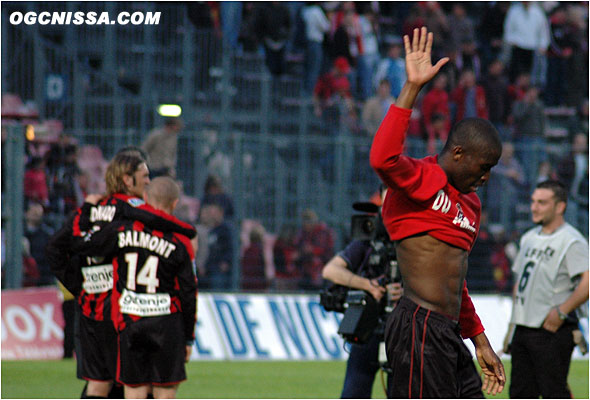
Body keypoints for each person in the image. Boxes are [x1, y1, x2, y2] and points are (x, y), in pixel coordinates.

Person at [369, 27, 505, 398]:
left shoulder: (471, 205)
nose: (486, 177)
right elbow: (382, 158)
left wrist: (479, 340)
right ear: (458, 153)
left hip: (445, 330)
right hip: (419, 324)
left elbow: (454, 280)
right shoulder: (422, 178)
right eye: (483, 166)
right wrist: (411, 88)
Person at [46, 153, 196, 398]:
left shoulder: (91, 210)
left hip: (88, 311)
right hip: (120, 312)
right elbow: (155, 219)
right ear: (127, 179)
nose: (148, 182)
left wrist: (81, 287)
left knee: (97, 384)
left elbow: (55, 247)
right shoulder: (130, 212)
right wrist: (186, 231)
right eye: (144, 176)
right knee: (138, 384)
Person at [504, 180, 589, 398]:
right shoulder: (528, 238)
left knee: (553, 392)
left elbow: (587, 281)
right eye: (533, 201)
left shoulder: (571, 240)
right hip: (524, 328)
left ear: (560, 207)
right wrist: (512, 326)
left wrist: (561, 312)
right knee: (520, 394)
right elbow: (519, 283)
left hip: (551, 330)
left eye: (542, 202)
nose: (534, 207)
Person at [322, 211, 403, 398]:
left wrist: (406, 293)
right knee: (354, 391)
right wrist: (368, 285)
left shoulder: (413, 244)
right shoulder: (367, 243)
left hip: (402, 330)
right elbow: (330, 270)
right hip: (369, 328)